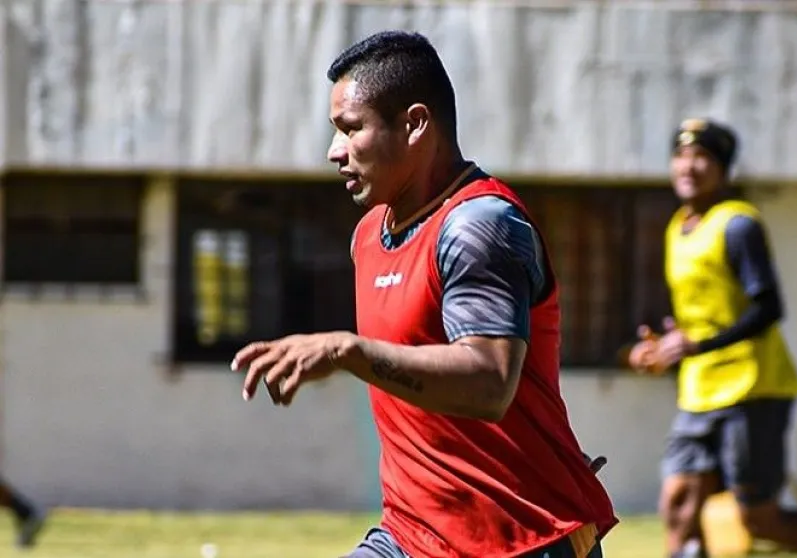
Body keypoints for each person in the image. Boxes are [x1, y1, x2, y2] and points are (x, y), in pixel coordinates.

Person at [232, 30, 618, 558]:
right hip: (412, 537)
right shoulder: (369, 235)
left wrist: (350, 351)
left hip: (523, 541)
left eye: (351, 129)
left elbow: (489, 382)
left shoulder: (479, 227)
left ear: (414, 125)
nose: (334, 151)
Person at [628, 118, 797, 558]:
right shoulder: (677, 228)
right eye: (681, 156)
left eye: (703, 158)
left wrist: (695, 346)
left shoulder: (738, 226)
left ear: (724, 170)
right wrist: (662, 346)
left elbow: (769, 309)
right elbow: (703, 318)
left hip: (753, 390)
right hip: (699, 392)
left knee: (760, 519)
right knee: (677, 504)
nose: (689, 166)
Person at [0, 478, 44, 547]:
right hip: (30, 514)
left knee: (26, 519)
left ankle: (24, 541)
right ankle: (24, 541)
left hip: (31, 515)